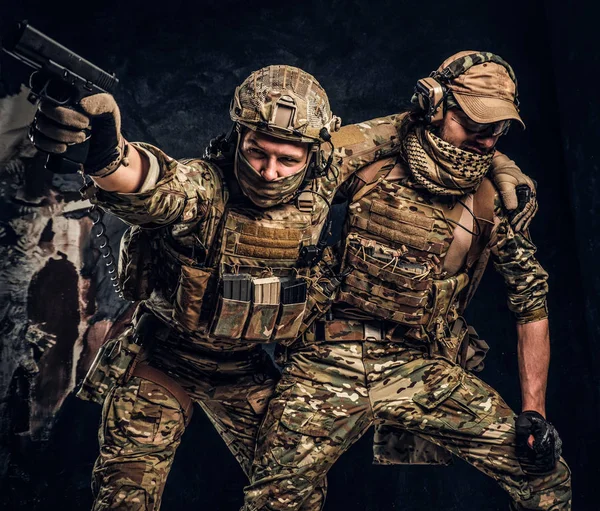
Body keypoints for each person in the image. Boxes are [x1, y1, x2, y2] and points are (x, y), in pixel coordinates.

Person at [30, 60, 538, 511]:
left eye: (288, 160)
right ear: (239, 138)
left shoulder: (320, 183)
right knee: (125, 497)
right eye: (257, 153)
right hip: (163, 360)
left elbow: (414, 131)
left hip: (245, 371)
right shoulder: (207, 186)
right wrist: (104, 156)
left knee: (289, 494)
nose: (271, 173)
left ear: (315, 154)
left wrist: (496, 159)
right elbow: (153, 181)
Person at [240, 52, 571, 510]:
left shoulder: (497, 198)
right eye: (474, 124)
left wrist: (534, 410)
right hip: (327, 356)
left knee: (545, 478)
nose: (486, 139)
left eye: (497, 129)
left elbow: (530, 301)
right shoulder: (369, 164)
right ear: (436, 106)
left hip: (421, 364)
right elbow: (278, 186)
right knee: (275, 499)